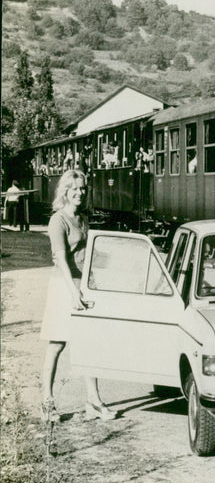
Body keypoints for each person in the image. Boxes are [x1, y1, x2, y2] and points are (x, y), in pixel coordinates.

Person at [39, 169, 117, 423]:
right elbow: (61, 259)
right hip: (63, 286)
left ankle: (93, 401)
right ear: (65, 191)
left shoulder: (83, 219)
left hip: (83, 286)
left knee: (88, 344)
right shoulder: (57, 221)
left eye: (83, 189)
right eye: (75, 188)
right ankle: (47, 403)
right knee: (57, 345)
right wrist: (72, 292)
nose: (80, 193)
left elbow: (89, 253)